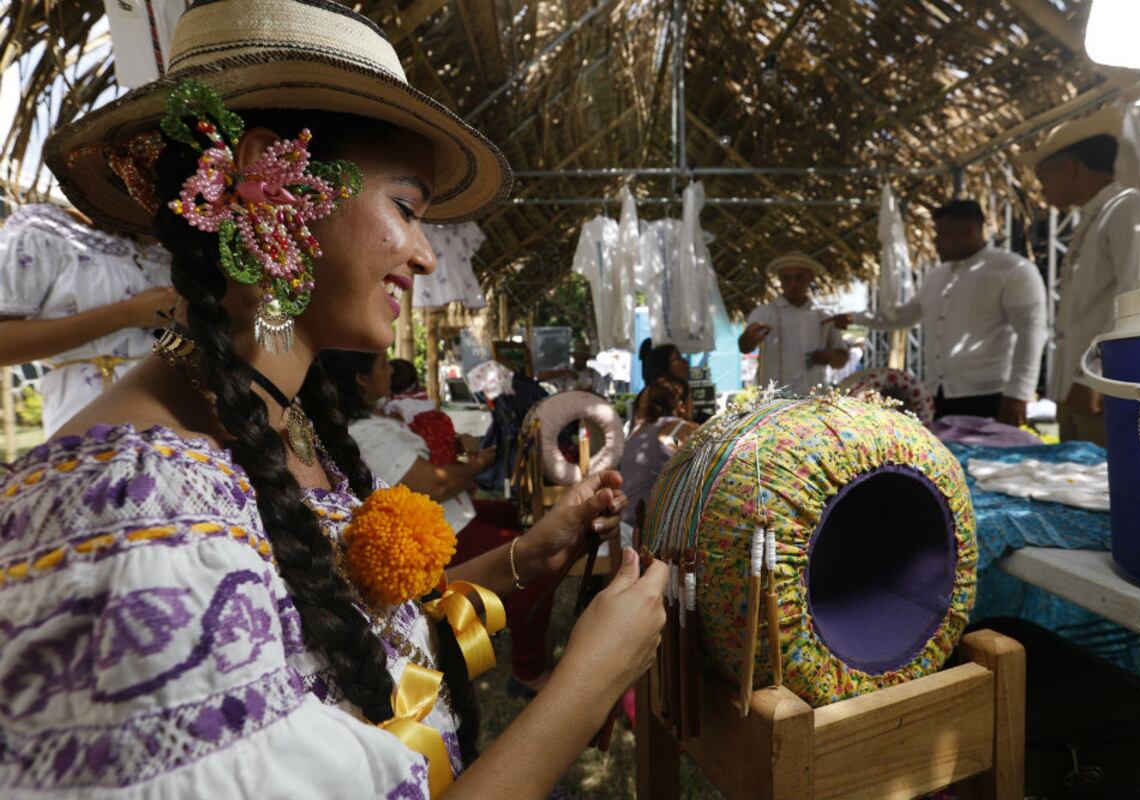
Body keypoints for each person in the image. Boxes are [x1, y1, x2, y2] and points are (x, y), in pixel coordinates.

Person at [0, 3, 667, 797]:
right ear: (271, 184)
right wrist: (589, 681)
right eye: (407, 209)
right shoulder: (136, 512)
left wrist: (529, 556)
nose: (424, 255)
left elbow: (341, 645)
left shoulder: (285, 430)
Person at [323, 349, 558, 698]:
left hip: (447, 513)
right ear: (361, 379)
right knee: (538, 562)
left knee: (517, 518)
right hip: (437, 528)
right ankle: (528, 670)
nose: (391, 371)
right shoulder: (366, 433)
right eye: (384, 364)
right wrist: (479, 466)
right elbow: (437, 483)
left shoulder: (379, 417)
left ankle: (506, 613)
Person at [1025, 107, 1140, 445]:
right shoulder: (1098, 215)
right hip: (1078, 389)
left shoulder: (1130, 209)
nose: (1042, 191)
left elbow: (1139, 297)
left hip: (1104, 390)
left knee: (1103, 490)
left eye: (1044, 178)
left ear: (1071, 168)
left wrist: (1094, 376)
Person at [845, 200, 1048, 426]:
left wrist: (1019, 392)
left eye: (941, 234)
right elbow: (904, 317)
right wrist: (854, 318)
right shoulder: (936, 276)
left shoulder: (1012, 270)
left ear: (967, 231)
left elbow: (1032, 331)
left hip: (990, 395)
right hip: (937, 394)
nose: (935, 242)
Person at [0, 204, 176, 436]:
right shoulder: (43, 230)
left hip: (169, 403)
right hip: (86, 406)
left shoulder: (166, 247)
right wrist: (127, 313)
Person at [739, 251, 849, 396]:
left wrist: (831, 356)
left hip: (816, 401)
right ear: (780, 279)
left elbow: (841, 359)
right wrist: (749, 337)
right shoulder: (764, 313)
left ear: (810, 277)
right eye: (787, 278)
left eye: (800, 277)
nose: (793, 283)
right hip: (776, 403)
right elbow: (744, 347)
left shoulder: (825, 315)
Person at [619, 377, 697, 541]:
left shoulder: (637, 430)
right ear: (681, 406)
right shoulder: (682, 429)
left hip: (624, 527)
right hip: (653, 534)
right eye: (692, 401)